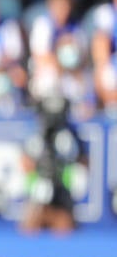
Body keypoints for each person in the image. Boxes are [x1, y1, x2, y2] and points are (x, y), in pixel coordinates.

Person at [19, 93, 86, 235]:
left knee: (63, 226)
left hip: (63, 192)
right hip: (39, 188)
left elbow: (82, 162)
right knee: (30, 225)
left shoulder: (70, 136)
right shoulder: (36, 135)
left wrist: (64, 174)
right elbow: (26, 162)